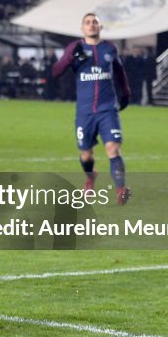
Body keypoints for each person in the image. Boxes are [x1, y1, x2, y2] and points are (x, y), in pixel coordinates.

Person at [52, 13, 132, 205]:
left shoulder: (109, 48)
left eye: (95, 22)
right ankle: (90, 177)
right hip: (85, 111)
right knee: (86, 154)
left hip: (107, 110)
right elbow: (56, 71)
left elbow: (120, 74)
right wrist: (70, 58)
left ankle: (121, 189)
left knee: (113, 148)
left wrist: (126, 93)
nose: (91, 25)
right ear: (82, 28)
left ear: (100, 27)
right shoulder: (75, 48)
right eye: (87, 23)